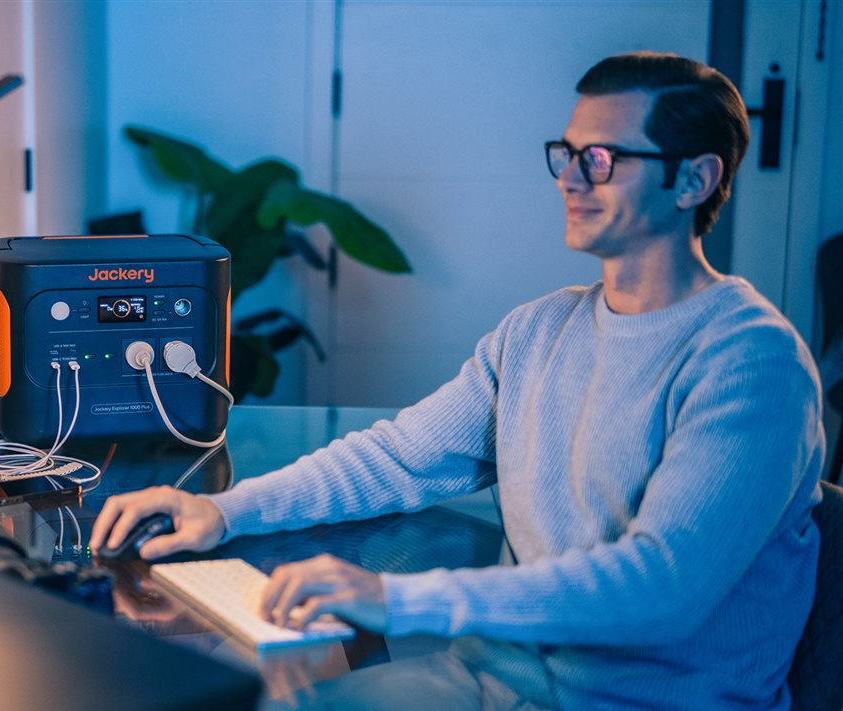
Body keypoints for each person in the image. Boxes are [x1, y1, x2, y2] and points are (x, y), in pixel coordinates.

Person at [90, 52, 824, 710]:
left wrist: (394, 598)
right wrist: (223, 511)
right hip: (494, 683)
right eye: (565, 154)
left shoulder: (753, 362)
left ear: (695, 178)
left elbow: (660, 588)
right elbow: (398, 456)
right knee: (241, 693)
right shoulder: (537, 331)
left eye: (600, 158)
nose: (569, 178)